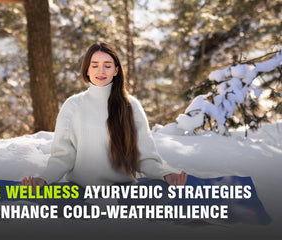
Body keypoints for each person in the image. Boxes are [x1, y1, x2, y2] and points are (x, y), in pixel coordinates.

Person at [22, 42, 187, 189]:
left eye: (107, 65)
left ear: (116, 70)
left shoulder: (130, 106)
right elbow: (63, 157)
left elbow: (145, 157)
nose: (101, 71)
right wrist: (44, 179)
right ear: (87, 69)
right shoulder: (73, 106)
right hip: (81, 193)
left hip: (124, 193)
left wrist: (166, 174)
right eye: (94, 65)